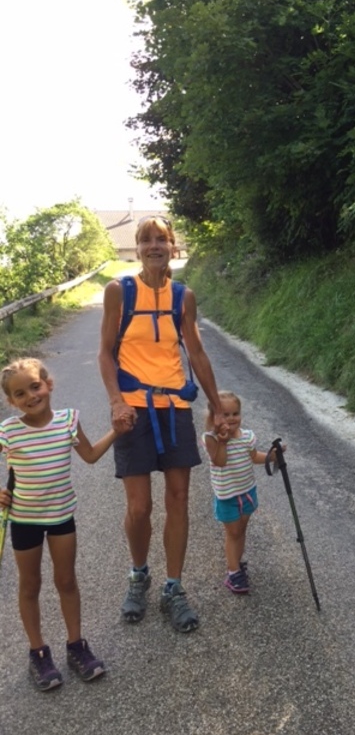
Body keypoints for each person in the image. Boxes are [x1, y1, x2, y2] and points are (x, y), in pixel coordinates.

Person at [98, 215, 224, 633]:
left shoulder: (182, 297)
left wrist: (216, 404)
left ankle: (173, 586)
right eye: (147, 240)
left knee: (179, 499)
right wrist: (116, 401)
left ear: (172, 247)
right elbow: (104, 354)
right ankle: (139, 575)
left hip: (174, 408)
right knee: (138, 507)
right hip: (133, 409)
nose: (155, 246)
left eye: (162, 240)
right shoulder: (119, 291)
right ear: (137, 248)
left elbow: (198, 352)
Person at [0, 358, 117, 691]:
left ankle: (76, 645)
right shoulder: (8, 430)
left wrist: (116, 431)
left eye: (35, 386)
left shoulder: (68, 421)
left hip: (62, 515)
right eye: (20, 394)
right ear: (12, 402)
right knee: (30, 585)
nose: (30, 396)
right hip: (24, 520)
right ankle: (38, 652)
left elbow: (91, 455)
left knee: (66, 580)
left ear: (48, 384)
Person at [202, 391, 282, 593]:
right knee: (233, 532)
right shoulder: (211, 438)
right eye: (225, 415)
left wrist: (273, 457)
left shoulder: (247, 436)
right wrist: (223, 441)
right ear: (214, 417)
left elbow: (254, 457)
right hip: (227, 495)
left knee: (242, 530)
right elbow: (220, 461)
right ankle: (233, 572)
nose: (231, 419)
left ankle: (237, 563)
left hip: (247, 490)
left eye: (235, 414)